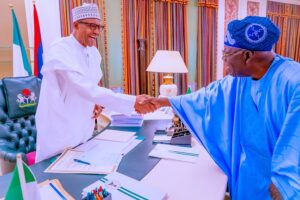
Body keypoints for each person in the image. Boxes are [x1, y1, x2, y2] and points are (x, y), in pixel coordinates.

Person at [147, 16, 300, 199]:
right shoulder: (240, 80)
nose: (224, 63)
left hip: (278, 184)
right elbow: (206, 98)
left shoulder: (293, 81)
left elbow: (294, 139)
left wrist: (285, 184)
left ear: (247, 55)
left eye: (227, 55)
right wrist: (161, 102)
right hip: (247, 173)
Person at [35, 3, 156, 163]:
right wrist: (133, 101)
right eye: (92, 26)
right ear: (76, 25)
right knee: (53, 179)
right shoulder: (60, 49)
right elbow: (82, 87)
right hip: (59, 130)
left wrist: (96, 102)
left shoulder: (93, 53)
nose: (97, 32)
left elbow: (91, 86)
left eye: (100, 27)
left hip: (84, 131)